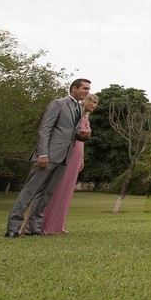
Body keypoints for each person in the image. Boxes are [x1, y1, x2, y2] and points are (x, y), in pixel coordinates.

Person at [6, 78, 93, 238]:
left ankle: (34, 228)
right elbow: (44, 129)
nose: (87, 92)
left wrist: (81, 135)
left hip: (64, 158)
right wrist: (42, 154)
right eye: (84, 88)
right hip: (48, 155)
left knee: (47, 194)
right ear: (74, 88)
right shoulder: (58, 104)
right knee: (30, 191)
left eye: (88, 89)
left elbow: (70, 133)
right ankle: (12, 228)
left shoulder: (79, 109)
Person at [41, 93, 97, 234]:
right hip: (68, 151)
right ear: (86, 101)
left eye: (96, 103)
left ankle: (58, 225)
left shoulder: (86, 118)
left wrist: (82, 158)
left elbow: (82, 142)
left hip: (78, 153)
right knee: (58, 185)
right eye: (93, 102)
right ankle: (44, 224)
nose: (95, 105)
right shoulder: (75, 114)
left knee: (68, 189)